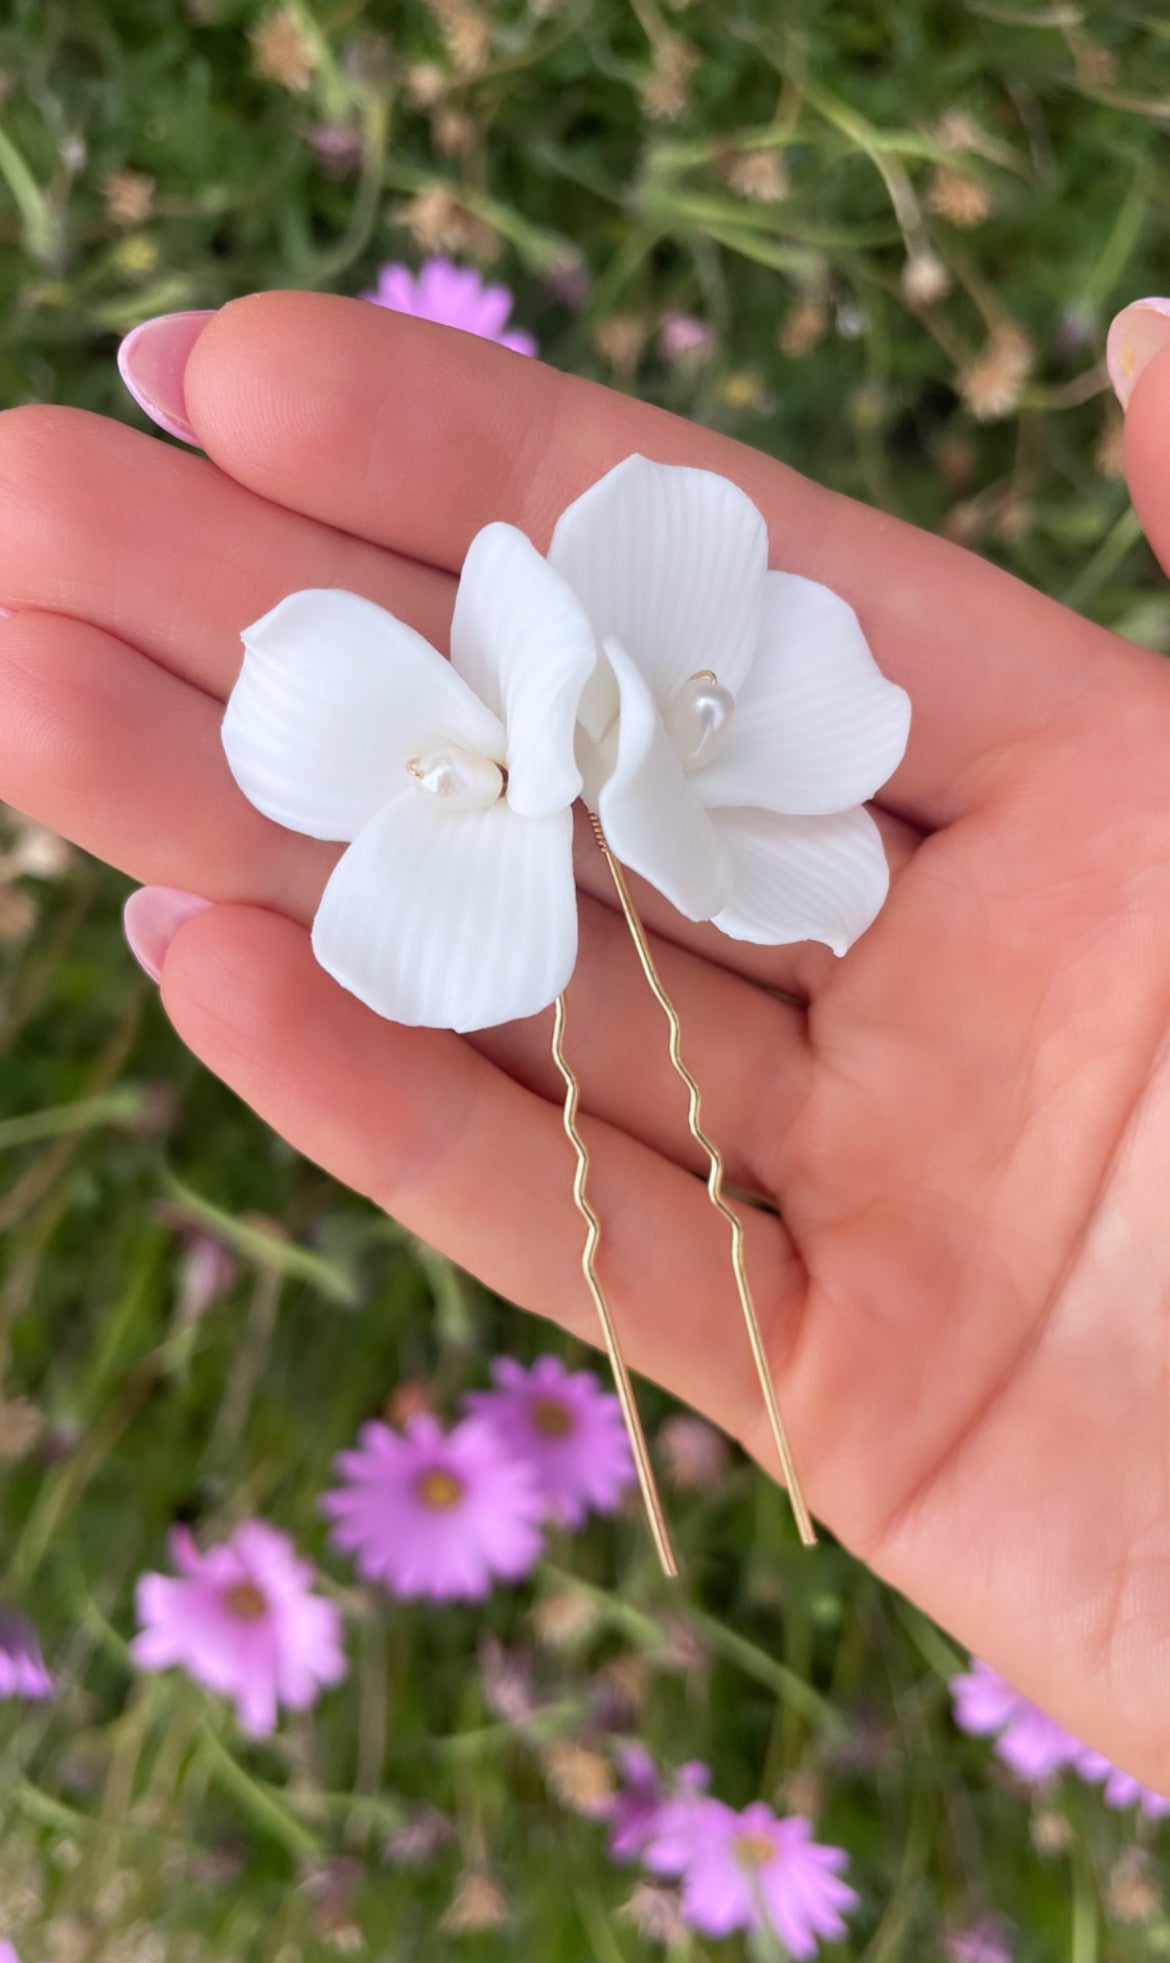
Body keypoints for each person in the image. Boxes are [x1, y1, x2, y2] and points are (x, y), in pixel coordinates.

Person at [1, 290, 1169, 1790]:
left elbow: (721, 779)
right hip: (508, 802)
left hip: (666, 775)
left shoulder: (721, 769)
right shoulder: (432, 707)